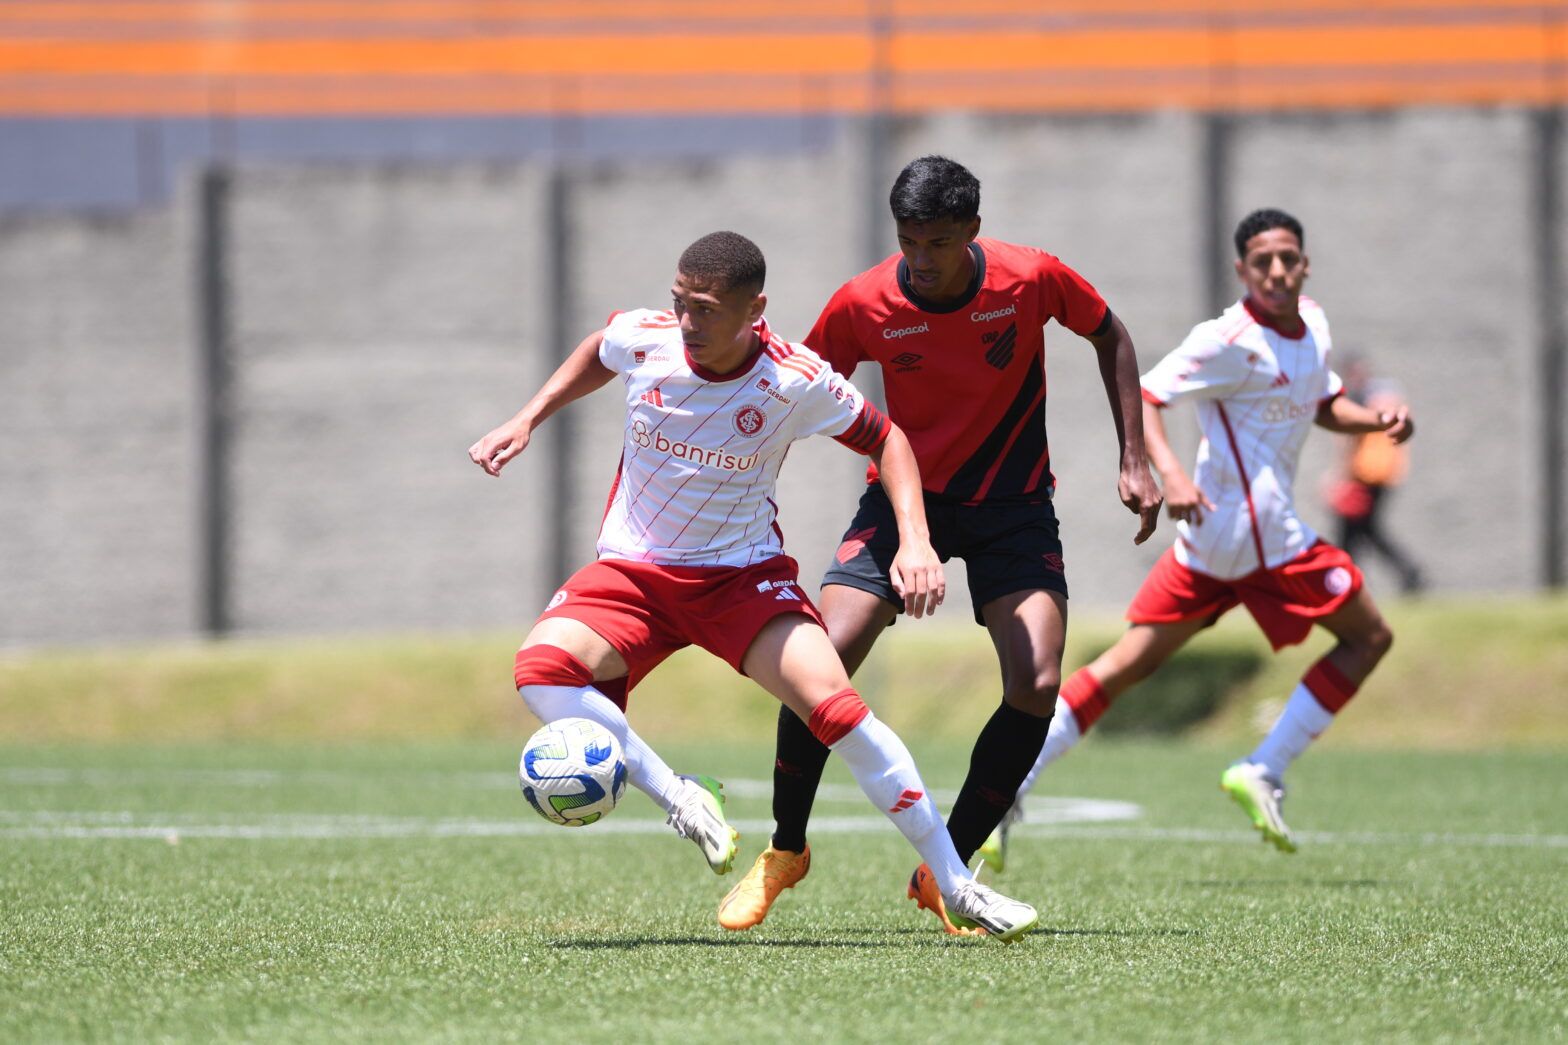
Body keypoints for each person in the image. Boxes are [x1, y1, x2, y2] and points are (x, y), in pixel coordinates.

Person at [469, 230, 1039, 940]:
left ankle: (955, 884)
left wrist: (916, 539)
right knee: (540, 672)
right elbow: (598, 349)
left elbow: (887, 439)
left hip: (740, 581)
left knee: (837, 710)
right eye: (680, 303)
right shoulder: (646, 339)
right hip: (633, 575)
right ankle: (681, 797)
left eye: (706, 309)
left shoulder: (791, 379)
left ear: (754, 309)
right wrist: (526, 417)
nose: (687, 323)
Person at [716, 157, 1161, 934]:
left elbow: (1109, 333)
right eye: (910, 241)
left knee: (1037, 680)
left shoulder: (1031, 279)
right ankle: (786, 848)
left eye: (940, 243)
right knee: (825, 654)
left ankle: (946, 869)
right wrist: (744, 478)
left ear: (973, 233)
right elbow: (793, 387)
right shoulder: (865, 301)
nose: (921, 259)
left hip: (1014, 506)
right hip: (902, 502)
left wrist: (1133, 454)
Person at [985, 208, 1414, 865]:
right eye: (1262, 260)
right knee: (1369, 636)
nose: (1276, 269)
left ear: (1304, 265)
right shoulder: (1227, 338)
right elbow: (1150, 394)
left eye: (1288, 258)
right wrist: (1172, 474)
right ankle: (1264, 766)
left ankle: (1010, 781)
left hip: (1217, 543)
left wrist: (1372, 420)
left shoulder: (1313, 326)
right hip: (1260, 538)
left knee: (1127, 664)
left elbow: (1321, 401)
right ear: (1241, 270)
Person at [1325, 361, 1424, 593]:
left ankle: (1344, 582)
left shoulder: (1363, 399)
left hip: (1364, 476)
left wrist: (1339, 477)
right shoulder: (1388, 396)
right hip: (1382, 475)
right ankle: (1405, 573)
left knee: (1353, 531)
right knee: (1365, 531)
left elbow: (1350, 440)